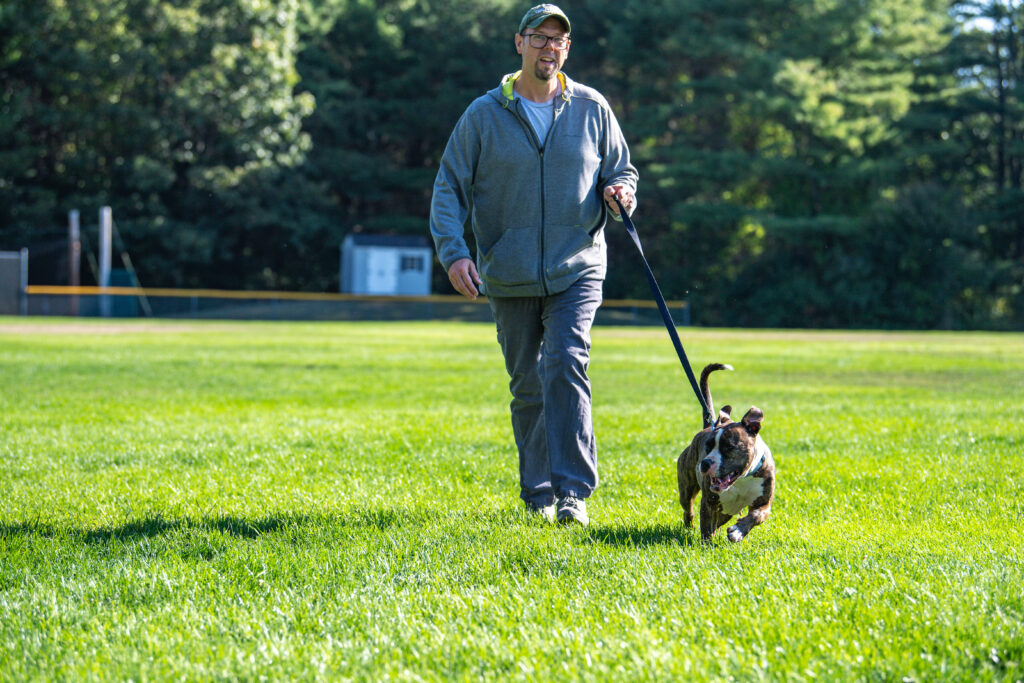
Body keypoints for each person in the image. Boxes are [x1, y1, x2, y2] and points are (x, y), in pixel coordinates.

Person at [429, 3, 638, 527]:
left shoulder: (592, 107)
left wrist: (621, 193)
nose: (550, 47)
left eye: (558, 40)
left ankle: (573, 494)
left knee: (566, 361)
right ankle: (538, 491)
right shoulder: (482, 115)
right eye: (540, 38)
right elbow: (448, 187)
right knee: (527, 385)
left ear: (567, 49)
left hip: (579, 264)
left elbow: (622, 170)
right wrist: (454, 252)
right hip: (509, 270)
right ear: (518, 43)